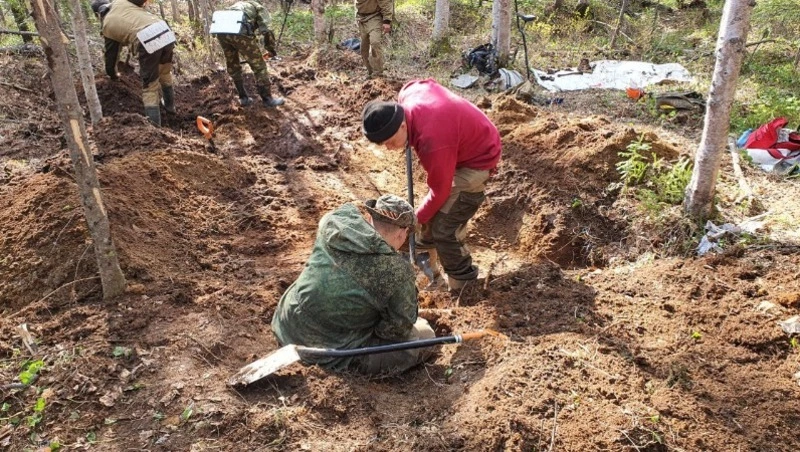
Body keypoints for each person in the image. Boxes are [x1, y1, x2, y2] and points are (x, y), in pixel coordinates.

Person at [361, 79, 502, 291]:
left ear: (402, 125)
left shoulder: (432, 142)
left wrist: (413, 222)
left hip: (478, 157)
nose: (389, 148)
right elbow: (418, 84)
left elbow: (440, 191)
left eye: (390, 141)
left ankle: (464, 287)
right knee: (427, 219)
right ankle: (430, 277)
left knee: (445, 229)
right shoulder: (407, 96)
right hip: (456, 141)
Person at [271, 194, 436, 376]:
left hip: (286, 322)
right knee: (425, 335)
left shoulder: (332, 221)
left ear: (369, 217)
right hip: (327, 353)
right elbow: (396, 331)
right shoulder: (397, 272)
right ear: (402, 233)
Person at [100, 0, 177, 126]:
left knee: (150, 86)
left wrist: (112, 74)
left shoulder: (107, 24)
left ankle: (154, 128)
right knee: (164, 73)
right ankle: (170, 108)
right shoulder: (120, 2)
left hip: (147, 38)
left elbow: (111, 56)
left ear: (99, 14)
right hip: (165, 30)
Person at [211, 0, 284, 107]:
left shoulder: (239, 5)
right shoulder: (258, 7)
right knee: (259, 66)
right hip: (239, 30)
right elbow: (267, 30)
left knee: (233, 64)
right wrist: (271, 50)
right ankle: (267, 100)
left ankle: (243, 98)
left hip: (221, 29)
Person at [355, 0, 393, 78]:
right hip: (361, 18)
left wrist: (387, 21)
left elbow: (385, 2)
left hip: (375, 16)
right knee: (364, 49)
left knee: (375, 42)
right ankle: (370, 72)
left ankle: (378, 73)